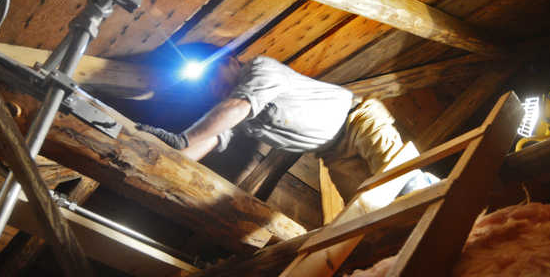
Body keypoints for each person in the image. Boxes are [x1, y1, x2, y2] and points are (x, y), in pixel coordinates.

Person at [137, 52, 436, 206]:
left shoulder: (260, 69)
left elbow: (238, 107)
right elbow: (215, 135)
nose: (214, 89)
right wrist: (172, 158)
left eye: (212, 78)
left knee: (402, 184)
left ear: (230, 62)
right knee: (368, 213)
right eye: (208, 89)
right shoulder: (236, 110)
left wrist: (181, 138)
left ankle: (453, 208)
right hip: (333, 154)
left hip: (358, 120)